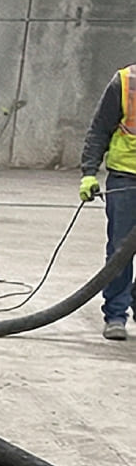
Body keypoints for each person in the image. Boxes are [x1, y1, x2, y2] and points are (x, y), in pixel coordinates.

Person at [79, 63, 136, 340]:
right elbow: (100, 129)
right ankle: (116, 314)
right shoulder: (125, 82)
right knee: (120, 249)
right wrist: (89, 173)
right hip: (126, 179)